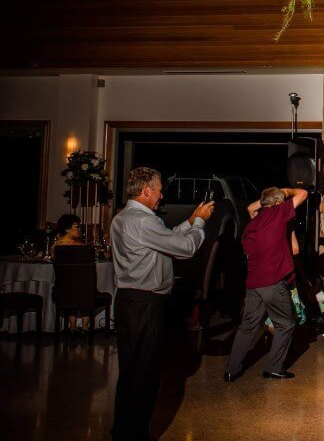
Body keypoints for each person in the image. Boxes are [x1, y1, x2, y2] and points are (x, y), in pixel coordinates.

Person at [110, 167, 214, 441]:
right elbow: (184, 248)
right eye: (159, 190)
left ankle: (123, 431)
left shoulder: (124, 217)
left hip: (128, 301)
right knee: (145, 374)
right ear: (146, 191)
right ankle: (135, 435)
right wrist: (200, 225)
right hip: (146, 303)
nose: (161, 195)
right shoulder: (143, 221)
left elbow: (166, 238)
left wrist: (190, 220)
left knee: (131, 372)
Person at [224, 185, 308, 382]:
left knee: (247, 327)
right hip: (272, 283)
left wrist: (269, 199)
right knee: (286, 324)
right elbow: (303, 193)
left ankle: (231, 370)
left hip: (253, 284)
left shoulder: (253, 223)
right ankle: (274, 367)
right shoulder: (277, 214)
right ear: (278, 204)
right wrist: (285, 191)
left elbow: (253, 207)